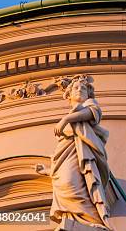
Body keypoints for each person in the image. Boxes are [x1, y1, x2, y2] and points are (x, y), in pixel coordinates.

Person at [36, 75, 114, 230]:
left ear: (89, 94)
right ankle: (74, 218)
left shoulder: (89, 105)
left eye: (83, 88)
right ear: (69, 94)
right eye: (76, 88)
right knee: (64, 182)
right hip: (69, 154)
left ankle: (93, 219)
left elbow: (92, 113)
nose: (79, 90)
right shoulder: (74, 115)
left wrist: (66, 119)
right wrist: (49, 171)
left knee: (72, 184)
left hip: (83, 154)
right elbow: (62, 160)